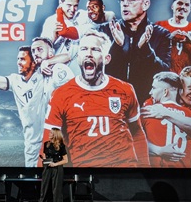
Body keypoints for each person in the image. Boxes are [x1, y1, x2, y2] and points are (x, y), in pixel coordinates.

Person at [45, 31, 149, 167]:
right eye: (84, 49)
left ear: (107, 58)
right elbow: (50, 142)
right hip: (84, 173)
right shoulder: (61, 94)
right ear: (78, 57)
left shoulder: (125, 90)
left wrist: (145, 171)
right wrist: (44, 177)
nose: (88, 54)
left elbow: (137, 132)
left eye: (95, 49)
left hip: (123, 171)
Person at [0, 38, 73, 167]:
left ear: (33, 62)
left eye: (22, 59)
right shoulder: (15, 81)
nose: (18, 62)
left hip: (50, 140)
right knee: (33, 176)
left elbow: (67, 56)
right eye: (18, 59)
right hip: (31, 144)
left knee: (50, 174)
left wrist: (48, 61)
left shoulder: (43, 73)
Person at [94, 0, 174, 96]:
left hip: (146, 101)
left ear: (146, 4)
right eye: (122, 0)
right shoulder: (104, 30)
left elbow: (164, 75)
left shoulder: (161, 34)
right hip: (110, 97)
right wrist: (117, 46)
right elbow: (95, 69)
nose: (125, 4)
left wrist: (145, 50)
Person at [139, 67, 191, 168]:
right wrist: (159, 150)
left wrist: (166, 113)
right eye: (190, 88)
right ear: (179, 86)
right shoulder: (153, 101)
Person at [38, 0, 96, 67]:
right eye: (69, 5)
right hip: (58, 68)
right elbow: (42, 51)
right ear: (60, 3)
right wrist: (54, 37)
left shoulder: (83, 16)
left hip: (81, 68)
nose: (72, 9)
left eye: (75, 6)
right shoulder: (51, 22)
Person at [156, 0, 191, 73]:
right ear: (172, 6)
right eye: (179, 3)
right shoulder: (159, 26)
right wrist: (167, 39)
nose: (183, 7)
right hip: (163, 76)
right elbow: (150, 54)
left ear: (190, 9)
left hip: (185, 78)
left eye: (187, 5)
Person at [30, 128, 69, 202]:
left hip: (57, 169)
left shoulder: (61, 146)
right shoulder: (46, 144)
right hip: (47, 169)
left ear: (55, 134)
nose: (49, 134)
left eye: (51, 133)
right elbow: (45, 156)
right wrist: (44, 160)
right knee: (44, 191)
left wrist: (55, 164)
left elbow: (65, 160)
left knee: (56, 192)